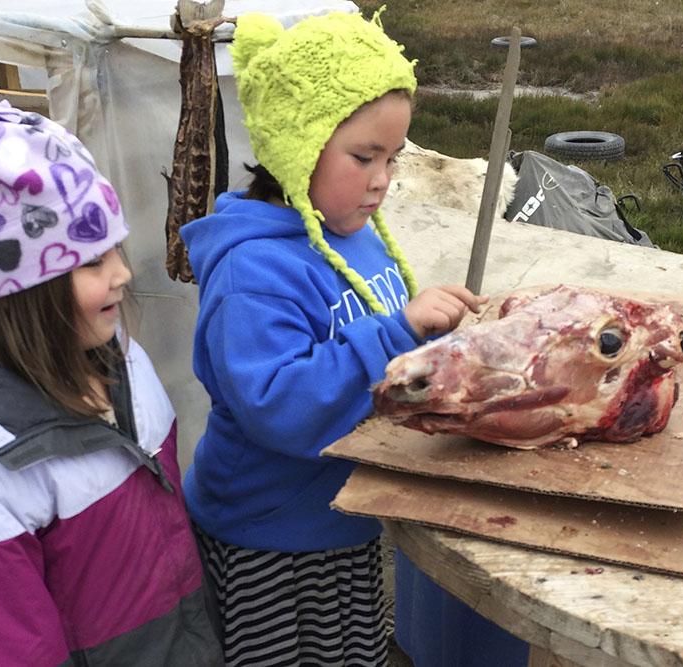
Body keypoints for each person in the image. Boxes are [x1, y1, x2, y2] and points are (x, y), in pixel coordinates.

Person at [0, 96, 221, 666]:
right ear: (19, 291)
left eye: (115, 249)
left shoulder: (116, 357)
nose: (123, 274)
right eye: (90, 260)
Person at [180, 11, 487, 666]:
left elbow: (375, 343)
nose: (383, 177)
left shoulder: (352, 231)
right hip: (265, 538)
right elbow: (280, 405)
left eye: (393, 156)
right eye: (364, 156)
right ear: (298, 144)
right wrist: (398, 331)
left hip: (339, 523)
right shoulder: (252, 273)